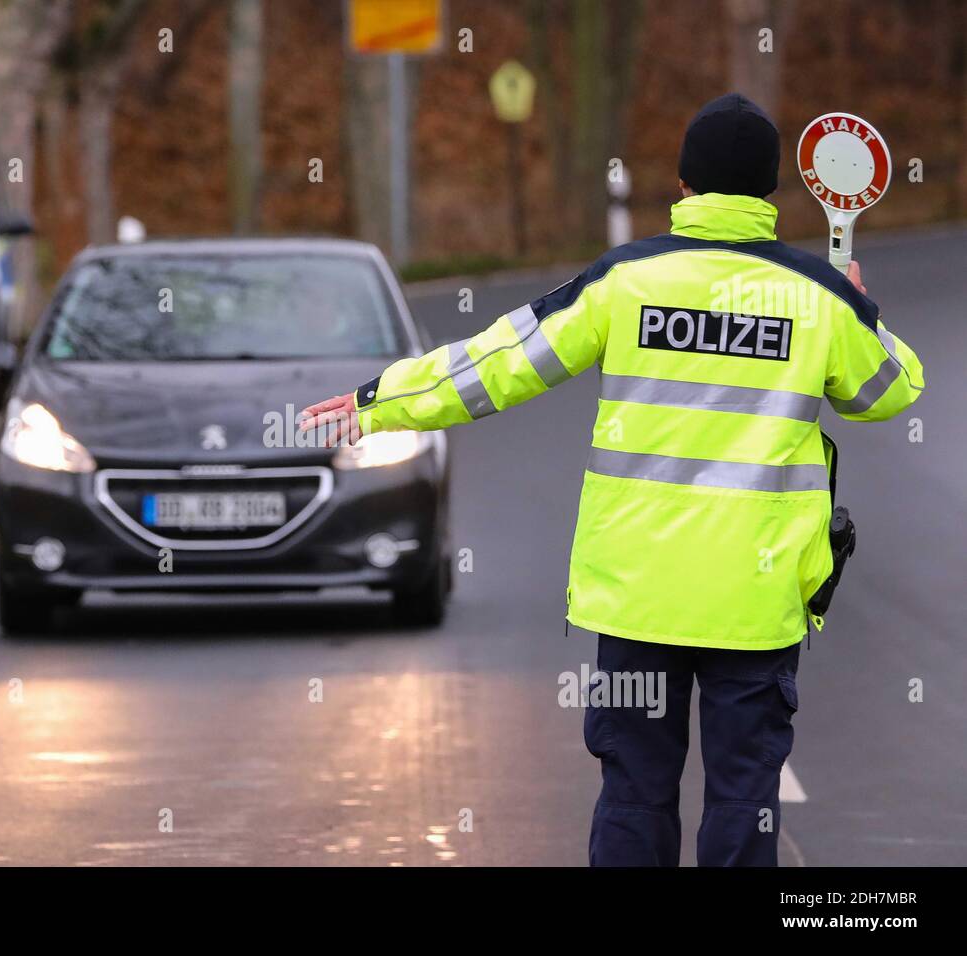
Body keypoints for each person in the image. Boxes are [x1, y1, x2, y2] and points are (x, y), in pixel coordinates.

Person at [300, 93, 925, 866]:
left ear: (685, 183)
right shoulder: (816, 298)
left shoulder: (627, 281)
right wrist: (862, 308)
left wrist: (377, 404)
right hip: (756, 607)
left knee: (634, 791)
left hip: (637, 600)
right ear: (769, 191)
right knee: (743, 797)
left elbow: (499, 364)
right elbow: (891, 390)